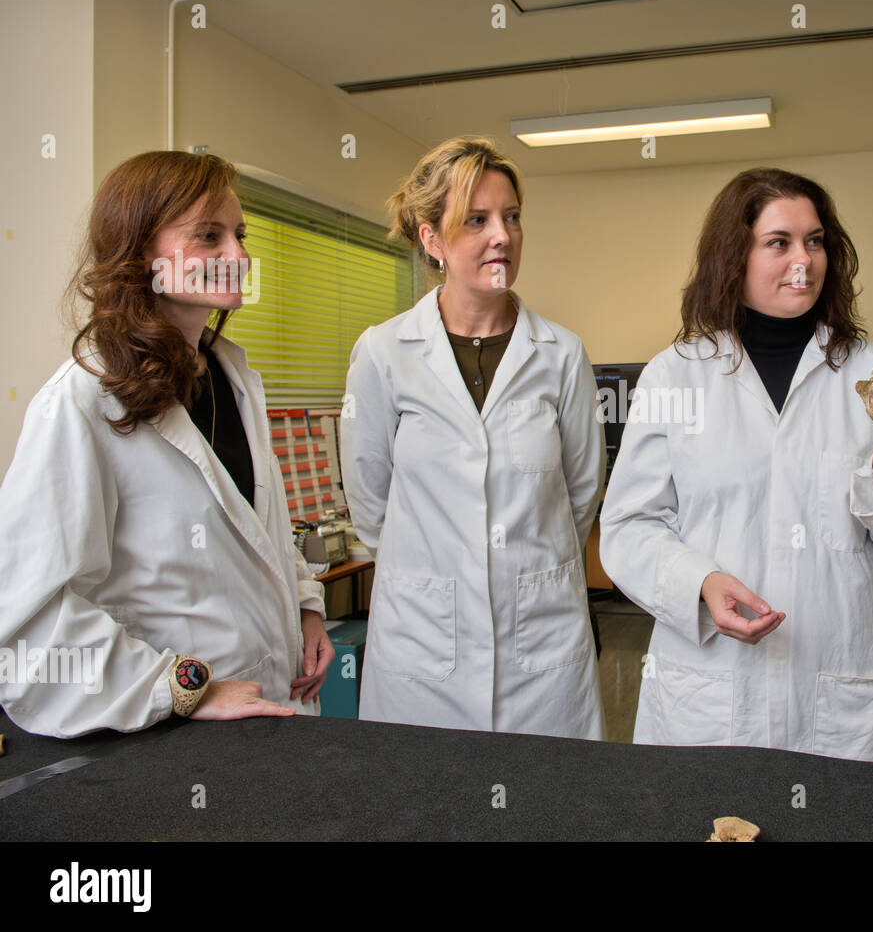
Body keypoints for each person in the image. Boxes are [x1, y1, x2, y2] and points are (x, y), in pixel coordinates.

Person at [0, 150, 332, 737]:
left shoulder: (231, 378)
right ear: (139, 253)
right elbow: (26, 625)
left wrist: (307, 607)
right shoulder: (81, 403)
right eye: (210, 236)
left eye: (239, 234)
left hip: (274, 704)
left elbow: (262, 535)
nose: (239, 257)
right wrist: (181, 688)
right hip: (168, 732)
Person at [599, 168, 873, 761]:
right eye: (779, 242)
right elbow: (627, 528)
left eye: (816, 240)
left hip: (840, 677)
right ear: (733, 256)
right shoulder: (676, 374)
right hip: (711, 688)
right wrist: (700, 583)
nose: (804, 258)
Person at [341, 136, 605, 737]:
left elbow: (581, 494)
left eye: (511, 217)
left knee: (549, 812)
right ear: (432, 240)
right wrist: (439, 574)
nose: (502, 236)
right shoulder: (383, 353)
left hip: (540, 643)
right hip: (422, 645)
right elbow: (371, 502)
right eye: (477, 220)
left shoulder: (561, 355)